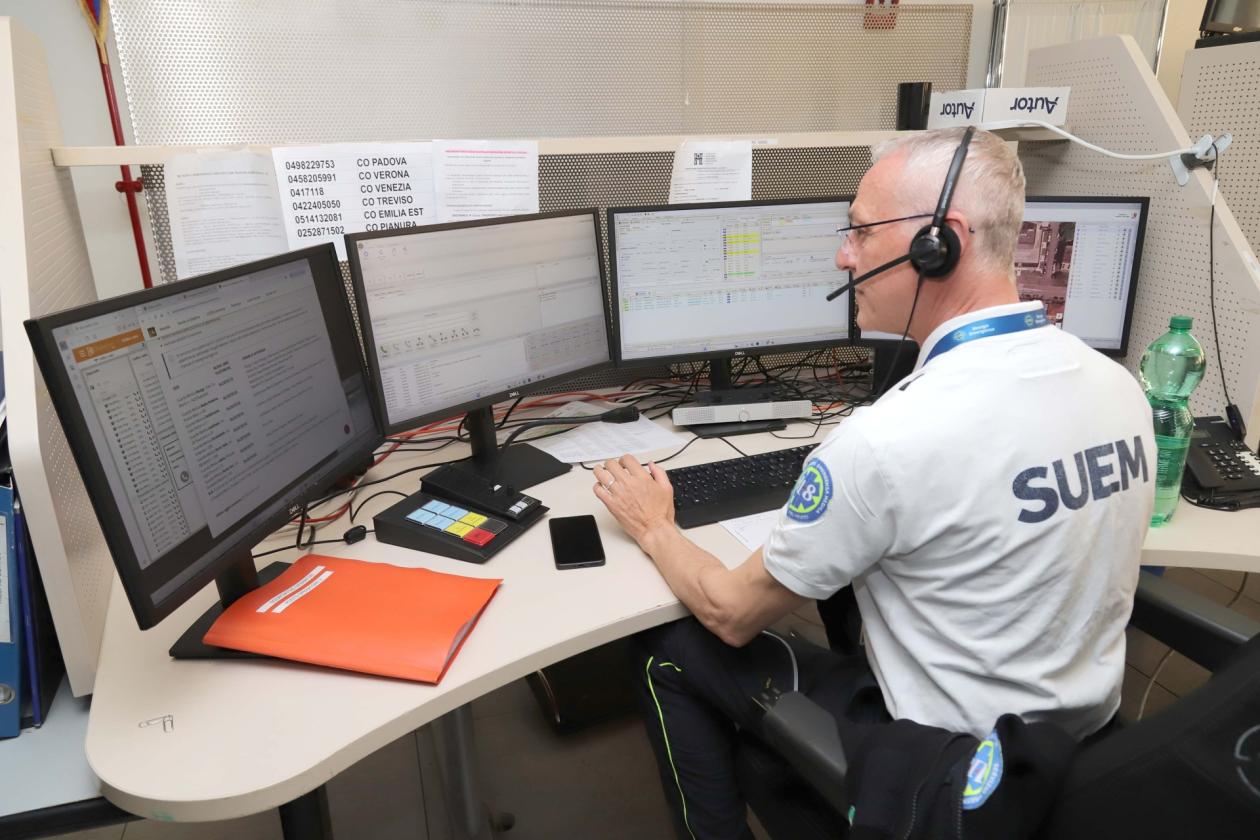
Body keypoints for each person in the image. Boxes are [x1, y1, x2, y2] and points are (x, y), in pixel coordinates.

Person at [591, 127, 1156, 840]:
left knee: (668, 648)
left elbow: (730, 612)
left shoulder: (888, 439)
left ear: (938, 244)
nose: (843, 255)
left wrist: (654, 526)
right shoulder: (1118, 386)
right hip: (1080, 751)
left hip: (954, 773)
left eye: (860, 232)